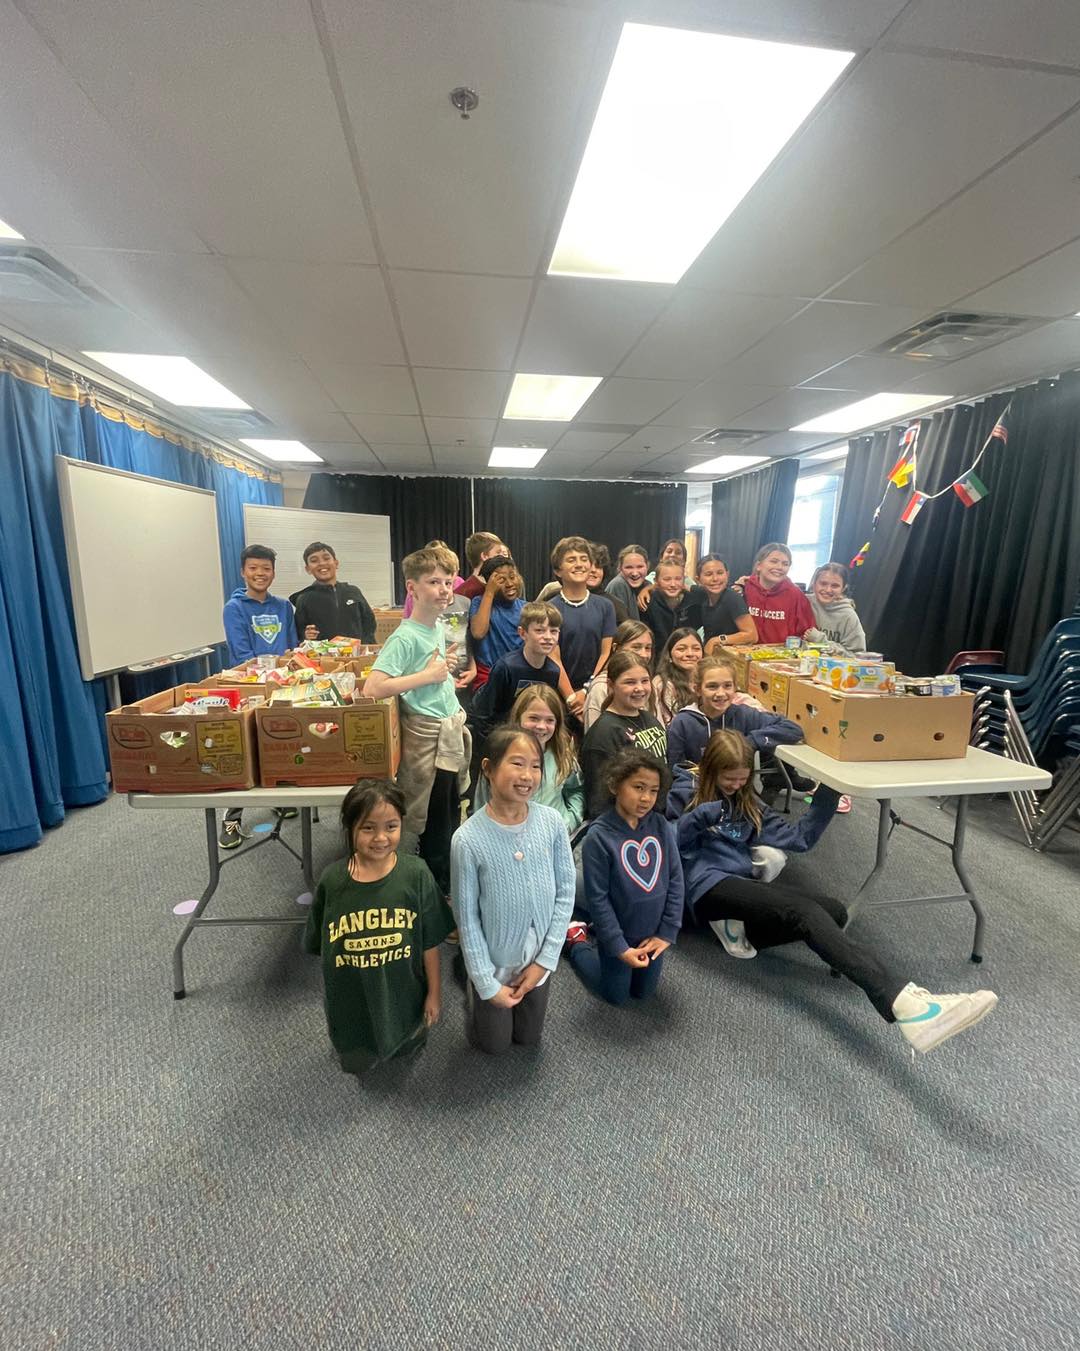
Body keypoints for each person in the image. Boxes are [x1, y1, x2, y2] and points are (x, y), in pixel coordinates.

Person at [671, 730, 999, 1053]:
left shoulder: (746, 802)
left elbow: (801, 839)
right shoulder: (685, 788)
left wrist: (830, 787)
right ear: (711, 769)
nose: (735, 785)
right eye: (729, 779)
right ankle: (903, 1002)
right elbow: (665, 842)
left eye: (742, 779)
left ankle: (734, 927)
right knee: (801, 912)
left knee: (834, 912)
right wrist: (699, 817)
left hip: (739, 882)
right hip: (702, 886)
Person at [303, 781, 451, 1073]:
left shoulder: (416, 875)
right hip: (351, 999)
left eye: (391, 826)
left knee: (407, 1045)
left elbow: (430, 940)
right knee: (356, 1058)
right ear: (350, 827)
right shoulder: (332, 881)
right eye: (368, 828)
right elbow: (321, 946)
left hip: (404, 994)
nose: (381, 838)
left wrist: (435, 992)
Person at [450, 727, 576, 1055]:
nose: (528, 775)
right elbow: (467, 919)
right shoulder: (467, 839)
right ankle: (471, 988)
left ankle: (506, 990)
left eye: (535, 766)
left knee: (528, 1038)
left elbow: (565, 892)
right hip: (494, 962)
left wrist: (545, 961)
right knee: (494, 1044)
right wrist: (486, 982)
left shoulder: (551, 823)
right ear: (489, 768)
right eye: (517, 764)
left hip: (538, 960)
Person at [364, 547, 470, 896]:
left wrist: (443, 676)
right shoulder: (405, 636)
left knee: (450, 811)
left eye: (447, 582)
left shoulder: (437, 627)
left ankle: (440, 877)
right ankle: (439, 891)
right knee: (436, 820)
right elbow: (374, 687)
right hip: (427, 736)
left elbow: (429, 674)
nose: (443, 590)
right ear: (412, 588)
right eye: (433, 582)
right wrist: (427, 676)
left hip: (447, 728)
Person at [565, 749, 683, 1005]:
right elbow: (598, 899)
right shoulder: (599, 837)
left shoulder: (661, 826)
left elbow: (675, 879)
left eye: (653, 790)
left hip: (652, 932)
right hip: (617, 933)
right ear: (615, 785)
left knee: (644, 993)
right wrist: (618, 945)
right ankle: (577, 941)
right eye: (638, 787)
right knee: (616, 996)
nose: (646, 798)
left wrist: (666, 932)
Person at [219, 544, 298, 849]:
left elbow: (291, 647)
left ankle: (277, 798)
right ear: (243, 572)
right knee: (247, 749)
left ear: (273, 572)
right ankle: (232, 816)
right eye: (253, 568)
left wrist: (288, 670)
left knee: (277, 743)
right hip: (250, 688)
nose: (260, 574)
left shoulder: (282, 606)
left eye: (266, 568)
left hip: (284, 685)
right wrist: (269, 676)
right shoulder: (234, 608)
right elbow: (242, 655)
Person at [473, 685, 584, 832]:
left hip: (551, 838)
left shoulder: (563, 755)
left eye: (550, 720)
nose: (541, 726)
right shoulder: (499, 755)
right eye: (534, 718)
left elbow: (577, 789)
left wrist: (569, 821)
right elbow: (482, 803)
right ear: (518, 717)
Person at [667, 656, 802, 768]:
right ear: (697, 689)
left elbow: (792, 729)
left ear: (735, 687)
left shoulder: (743, 714)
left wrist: (749, 742)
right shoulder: (682, 723)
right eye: (712, 686)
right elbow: (676, 769)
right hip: (696, 790)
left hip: (737, 788)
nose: (721, 693)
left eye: (727, 686)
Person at [580, 650, 668, 819]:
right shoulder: (603, 733)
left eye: (644, 681)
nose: (639, 688)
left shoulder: (651, 720)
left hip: (656, 819)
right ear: (611, 685)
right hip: (623, 826)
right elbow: (598, 800)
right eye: (629, 682)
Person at [549, 536, 617, 724]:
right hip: (562, 696)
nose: (579, 564)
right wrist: (572, 698)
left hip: (596, 692)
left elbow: (607, 653)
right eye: (571, 560)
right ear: (558, 570)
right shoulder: (550, 609)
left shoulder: (605, 606)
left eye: (583, 559)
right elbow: (553, 658)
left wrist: (588, 690)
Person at [469, 601, 561, 737]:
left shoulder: (553, 672)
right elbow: (483, 714)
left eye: (554, 631)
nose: (548, 637)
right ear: (523, 633)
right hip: (499, 735)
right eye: (539, 630)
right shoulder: (506, 667)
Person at [291, 541, 376, 643]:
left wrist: (365, 646)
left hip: (355, 655)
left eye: (326, 558)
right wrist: (305, 636)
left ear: (336, 563)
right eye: (314, 561)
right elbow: (298, 632)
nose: (322, 563)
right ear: (308, 569)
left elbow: (369, 623)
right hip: (323, 657)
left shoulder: (353, 592)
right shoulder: (304, 599)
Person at [583, 620, 654, 731]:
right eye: (636, 647)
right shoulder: (601, 687)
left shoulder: (647, 684)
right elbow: (596, 738)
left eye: (648, 648)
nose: (643, 654)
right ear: (616, 648)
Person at [738, 542, 815, 644]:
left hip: (780, 657)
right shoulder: (744, 589)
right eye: (774, 561)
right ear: (759, 566)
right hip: (742, 653)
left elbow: (807, 633)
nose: (779, 567)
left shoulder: (796, 594)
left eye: (785, 564)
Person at [468, 554, 525, 688]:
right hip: (488, 676)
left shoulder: (526, 608)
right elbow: (478, 632)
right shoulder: (479, 602)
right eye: (501, 580)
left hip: (518, 675)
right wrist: (489, 592)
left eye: (512, 577)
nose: (510, 584)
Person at [681, 554, 757, 650]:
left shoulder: (732, 598)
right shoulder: (704, 594)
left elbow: (752, 635)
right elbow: (690, 588)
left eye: (720, 573)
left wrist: (717, 640)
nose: (715, 579)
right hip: (711, 656)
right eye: (708, 574)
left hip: (728, 658)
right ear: (698, 579)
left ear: (727, 574)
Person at [804, 562, 868, 654]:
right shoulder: (804, 603)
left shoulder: (848, 615)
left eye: (835, 586)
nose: (828, 590)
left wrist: (821, 641)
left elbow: (857, 655)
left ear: (843, 588)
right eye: (823, 583)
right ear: (814, 584)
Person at [652, 627, 704, 727]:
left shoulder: (706, 680)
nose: (690, 654)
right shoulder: (662, 684)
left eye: (696, 649)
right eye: (681, 649)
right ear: (669, 655)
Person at [402, 539, 464, 619]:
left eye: (448, 583)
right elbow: (408, 616)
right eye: (434, 582)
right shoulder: (416, 591)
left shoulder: (460, 583)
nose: (445, 590)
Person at [642, 558, 691, 648]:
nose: (673, 584)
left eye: (678, 579)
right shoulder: (648, 601)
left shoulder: (691, 600)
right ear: (656, 581)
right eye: (667, 579)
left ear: (684, 580)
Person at [455, 531, 506, 602]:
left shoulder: (502, 588)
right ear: (484, 556)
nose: (504, 557)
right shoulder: (462, 595)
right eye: (498, 552)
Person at [605, 545, 650, 620]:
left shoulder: (646, 584)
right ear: (620, 568)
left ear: (647, 566)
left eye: (640, 567)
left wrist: (649, 588)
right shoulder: (619, 584)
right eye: (629, 567)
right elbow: (626, 627)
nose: (635, 573)